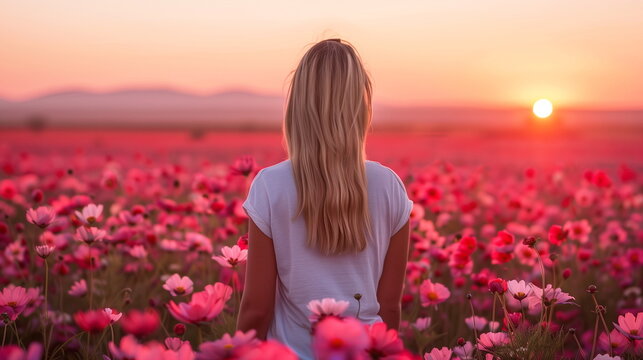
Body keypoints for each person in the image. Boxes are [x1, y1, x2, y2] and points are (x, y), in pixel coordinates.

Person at [236, 38, 413, 359]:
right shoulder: (389, 185)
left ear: (298, 104)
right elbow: (389, 306)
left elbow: (256, 310)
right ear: (361, 105)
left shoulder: (270, 185)